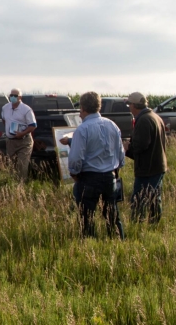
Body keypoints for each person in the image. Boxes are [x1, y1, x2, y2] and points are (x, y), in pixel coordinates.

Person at [68, 91, 125, 240]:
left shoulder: (82, 129)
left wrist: (74, 173)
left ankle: (90, 248)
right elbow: (121, 155)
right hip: (110, 176)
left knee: (87, 218)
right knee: (112, 215)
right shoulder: (112, 125)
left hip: (89, 178)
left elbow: (75, 158)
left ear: (83, 108)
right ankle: (119, 242)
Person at [123, 92, 167, 223]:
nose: (129, 107)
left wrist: (127, 148)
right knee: (154, 197)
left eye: (129, 104)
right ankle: (155, 224)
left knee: (139, 199)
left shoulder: (143, 120)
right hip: (158, 165)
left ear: (135, 105)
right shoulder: (154, 116)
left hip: (147, 168)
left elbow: (141, 145)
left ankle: (137, 225)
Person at [1, 88, 36, 181]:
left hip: (24, 141)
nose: (12, 97)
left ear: (20, 97)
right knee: (10, 165)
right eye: (11, 95)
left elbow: (33, 125)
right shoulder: (5, 108)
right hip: (11, 142)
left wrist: (22, 133)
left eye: (15, 96)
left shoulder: (26, 109)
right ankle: (12, 186)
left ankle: (21, 187)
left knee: (22, 165)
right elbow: (4, 120)